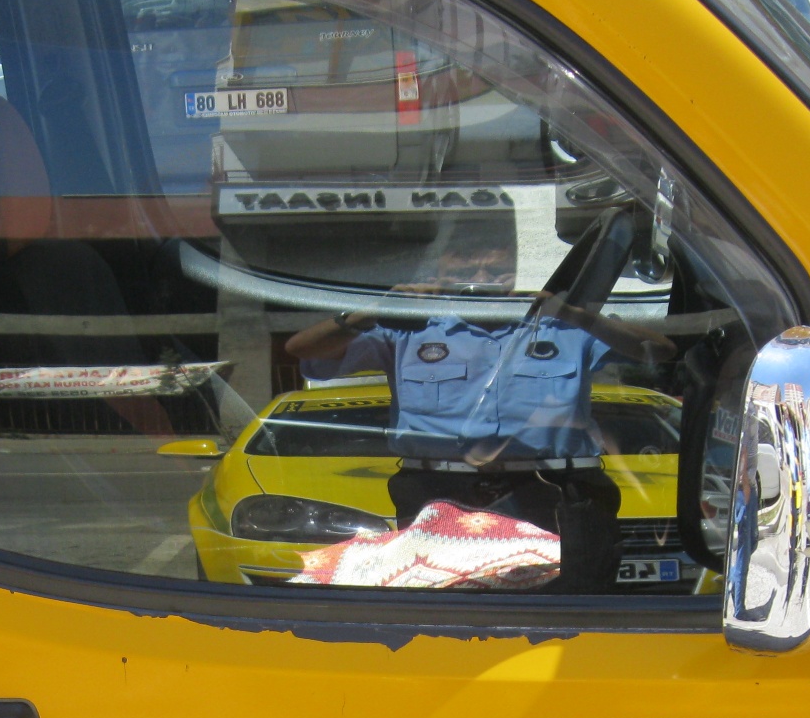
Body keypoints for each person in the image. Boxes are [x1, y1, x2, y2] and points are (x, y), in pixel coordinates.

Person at [285, 225, 674, 591]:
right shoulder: (408, 329)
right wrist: (372, 311)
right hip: (440, 496)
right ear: (440, 273)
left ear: (516, 272)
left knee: (569, 605)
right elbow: (303, 350)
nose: (482, 277)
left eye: (496, 269)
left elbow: (660, 350)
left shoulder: (565, 327)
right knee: (447, 611)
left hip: (554, 495)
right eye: (465, 269)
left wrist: (580, 315)